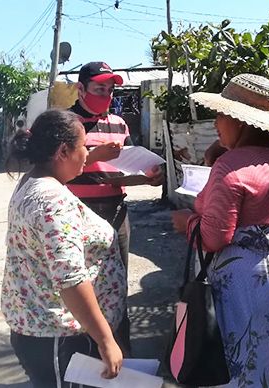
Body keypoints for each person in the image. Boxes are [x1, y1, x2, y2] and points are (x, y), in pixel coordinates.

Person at [171, 74, 269, 387]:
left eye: (221, 115)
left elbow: (215, 237)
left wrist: (186, 222)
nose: (215, 123)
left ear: (239, 121)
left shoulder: (230, 168)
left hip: (238, 281)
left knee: (240, 357)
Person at [1, 110, 126, 387]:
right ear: (63, 151)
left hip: (42, 329)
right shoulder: (52, 202)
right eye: (84, 147)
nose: (87, 153)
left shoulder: (34, 181)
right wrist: (106, 340)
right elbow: (70, 279)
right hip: (58, 337)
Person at [67, 61, 163, 355]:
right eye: (99, 89)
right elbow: (55, 170)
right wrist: (93, 154)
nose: (106, 95)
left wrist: (148, 177)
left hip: (116, 213)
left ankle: (121, 352)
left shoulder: (118, 124)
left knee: (116, 286)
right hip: (77, 213)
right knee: (81, 285)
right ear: (81, 88)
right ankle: (84, 351)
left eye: (110, 90)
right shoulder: (65, 124)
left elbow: (123, 171)